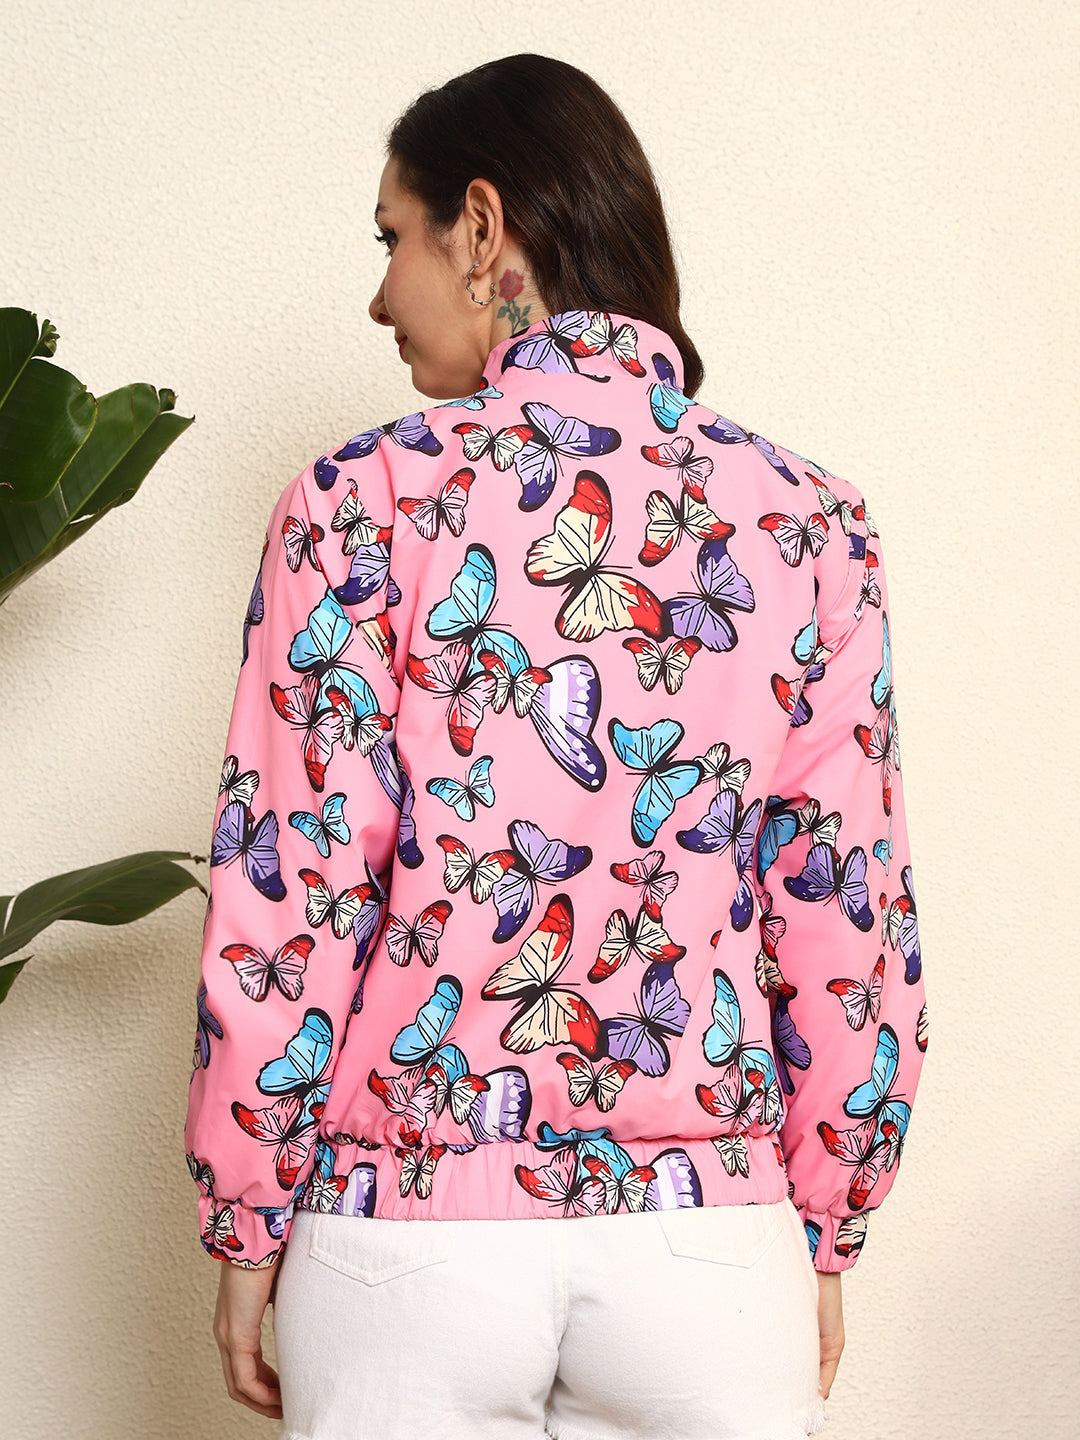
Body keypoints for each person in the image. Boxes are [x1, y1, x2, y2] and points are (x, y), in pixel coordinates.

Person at [184, 52, 927, 1440]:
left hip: (406, 1236)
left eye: (393, 238)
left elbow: (294, 887)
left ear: (480, 226)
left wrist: (246, 1218)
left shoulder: (357, 503)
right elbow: (846, 910)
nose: (379, 294)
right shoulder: (808, 522)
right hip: (706, 1245)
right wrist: (822, 1227)